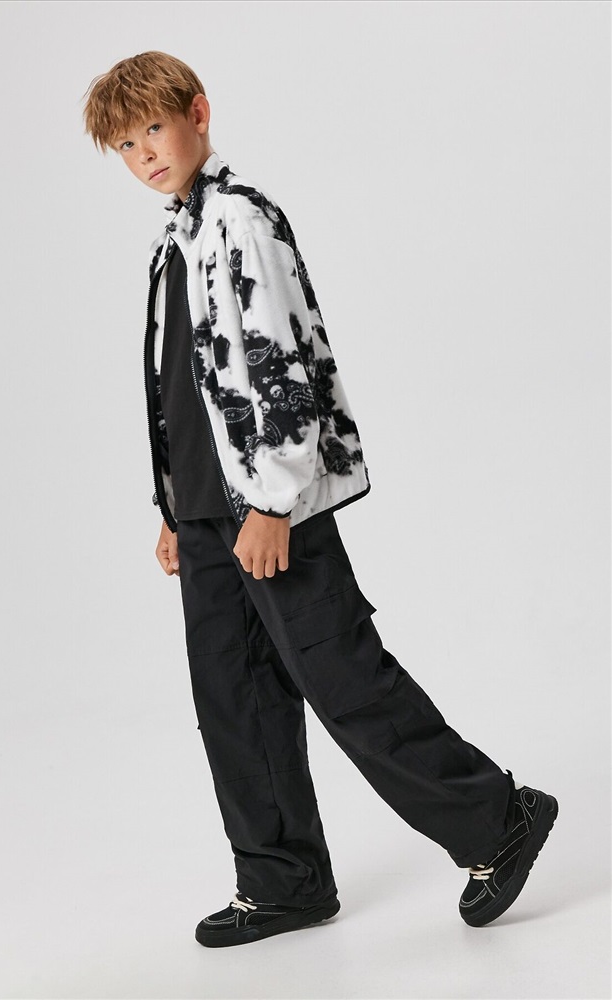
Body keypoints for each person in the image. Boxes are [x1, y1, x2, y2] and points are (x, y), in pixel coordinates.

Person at [81, 50, 559, 949]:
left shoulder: (241, 220)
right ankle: (283, 880)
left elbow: (281, 366)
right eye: (126, 145)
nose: (144, 155)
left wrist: (274, 502)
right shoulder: (174, 239)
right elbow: (183, 387)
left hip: (269, 505)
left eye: (154, 129)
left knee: (341, 677)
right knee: (233, 696)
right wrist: (174, 508)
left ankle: (499, 819)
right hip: (208, 511)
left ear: (198, 114)